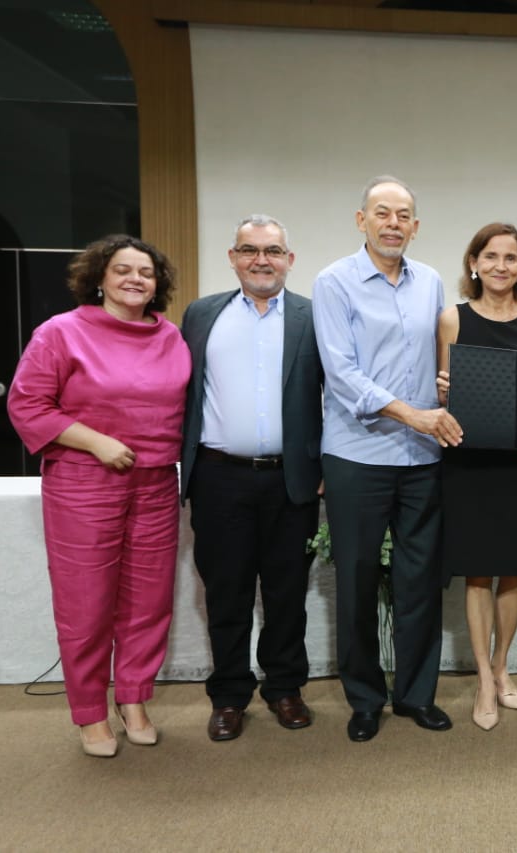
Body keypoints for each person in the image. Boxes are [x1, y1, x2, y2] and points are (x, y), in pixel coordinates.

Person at [7, 235, 190, 757]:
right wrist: (96, 442)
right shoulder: (61, 333)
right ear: (100, 278)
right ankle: (89, 713)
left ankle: (133, 698)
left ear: (158, 284)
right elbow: (28, 405)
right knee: (86, 604)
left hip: (156, 481)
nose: (135, 279)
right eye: (122, 270)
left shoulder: (171, 337)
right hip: (83, 481)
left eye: (146, 272)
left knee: (148, 602)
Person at [312, 176, 463, 742]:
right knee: (354, 578)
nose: (393, 222)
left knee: (419, 579)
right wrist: (415, 414)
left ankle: (416, 695)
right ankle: (365, 698)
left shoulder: (431, 283)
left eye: (403, 215)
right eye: (382, 212)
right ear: (362, 221)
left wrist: (451, 390)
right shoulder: (334, 282)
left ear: (416, 227)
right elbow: (342, 373)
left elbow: (438, 358)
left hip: (422, 456)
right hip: (357, 455)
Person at [179, 214, 324, 742]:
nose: (261, 259)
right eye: (249, 250)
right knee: (227, 593)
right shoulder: (201, 315)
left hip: (292, 481)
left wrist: (325, 466)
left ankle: (285, 689)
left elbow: (337, 397)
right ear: (233, 257)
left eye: (272, 250)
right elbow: (181, 393)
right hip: (219, 480)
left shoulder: (315, 316)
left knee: (287, 593)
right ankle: (229, 696)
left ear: (290, 258)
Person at [436, 223, 517, 731]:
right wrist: (444, 392)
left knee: (513, 570)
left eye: (511, 258)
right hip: (470, 465)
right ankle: (484, 678)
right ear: (474, 263)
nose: (501, 266)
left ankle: (504, 664)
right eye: (491, 256)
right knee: (477, 571)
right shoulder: (452, 319)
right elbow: (444, 395)